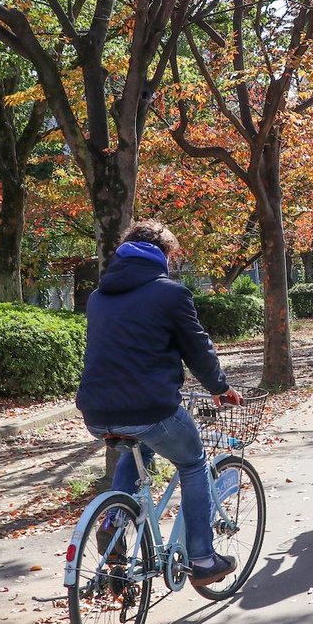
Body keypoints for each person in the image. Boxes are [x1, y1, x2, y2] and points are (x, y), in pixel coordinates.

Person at [75, 219, 241, 590]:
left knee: (138, 454)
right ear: (162, 254)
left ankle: (114, 528)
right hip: (150, 408)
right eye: (172, 255)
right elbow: (197, 348)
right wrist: (220, 387)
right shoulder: (170, 294)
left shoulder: (99, 297)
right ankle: (202, 558)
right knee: (193, 462)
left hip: (97, 411)